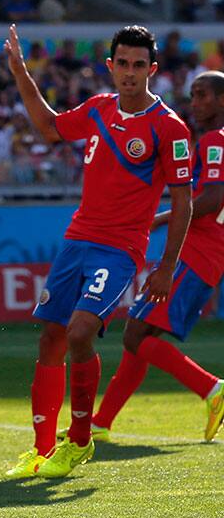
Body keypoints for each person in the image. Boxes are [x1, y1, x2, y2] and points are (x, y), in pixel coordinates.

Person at [3, 24, 193, 479]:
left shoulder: (169, 127)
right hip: (77, 240)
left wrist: (166, 267)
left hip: (120, 248)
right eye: (122, 64)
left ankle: (82, 438)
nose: (130, 73)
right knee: (50, 337)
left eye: (138, 65)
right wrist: (20, 71)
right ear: (110, 67)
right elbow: (49, 128)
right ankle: (42, 449)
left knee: (80, 332)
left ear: (153, 69)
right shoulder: (97, 110)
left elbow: (184, 199)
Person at [85, 71, 224, 442]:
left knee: (134, 334)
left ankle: (213, 389)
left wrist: (160, 218)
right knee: (141, 337)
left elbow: (212, 199)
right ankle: (101, 422)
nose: (195, 102)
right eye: (192, 94)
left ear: (222, 100)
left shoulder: (215, 142)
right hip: (208, 255)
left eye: (203, 95)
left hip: (196, 252)